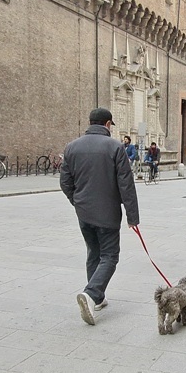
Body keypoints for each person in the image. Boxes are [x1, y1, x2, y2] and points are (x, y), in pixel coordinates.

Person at [60, 107, 140, 324]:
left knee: (93, 252)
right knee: (110, 255)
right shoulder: (115, 147)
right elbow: (126, 185)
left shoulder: (71, 147)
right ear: (107, 124)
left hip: (83, 213)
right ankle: (92, 294)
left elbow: (65, 182)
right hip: (108, 213)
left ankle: (97, 297)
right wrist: (133, 217)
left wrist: (77, 201)